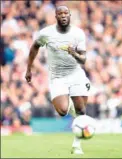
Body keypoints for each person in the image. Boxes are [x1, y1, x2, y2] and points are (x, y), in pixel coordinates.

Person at [25, 5, 91, 155]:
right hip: (57, 77)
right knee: (62, 111)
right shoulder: (46, 33)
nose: (63, 15)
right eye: (60, 13)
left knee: (82, 109)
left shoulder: (78, 33)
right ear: (55, 16)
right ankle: (76, 111)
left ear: (69, 15)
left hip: (76, 75)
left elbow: (83, 60)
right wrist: (29, 69)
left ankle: (77, 145)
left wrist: (73, 52)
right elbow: (34, 47)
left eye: (66, 13)